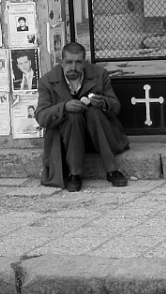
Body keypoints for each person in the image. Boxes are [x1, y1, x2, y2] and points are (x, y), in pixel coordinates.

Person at [35, 42, 129, 192]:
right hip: (67, 140)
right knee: (73, 115)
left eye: (78, 62)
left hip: (98, 135)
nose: (73, 67)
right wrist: (64, 107)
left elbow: (116, 107)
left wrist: (103, 103)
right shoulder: (47, 81)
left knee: (94, 113)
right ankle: (75, 174)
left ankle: (112, 170)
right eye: (69, 62)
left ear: (85, 63)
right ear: (61, 62)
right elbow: (41, 116)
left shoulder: (100, 74)